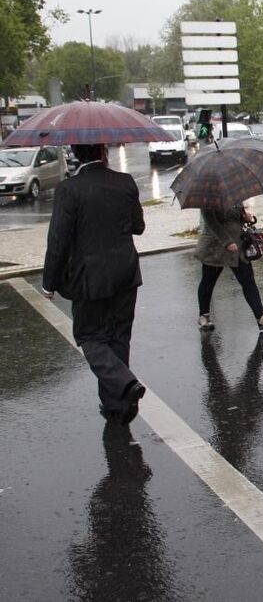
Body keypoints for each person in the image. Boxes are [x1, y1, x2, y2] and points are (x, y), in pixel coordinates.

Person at [42, 143, 147, 425]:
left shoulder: (69, 189)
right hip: (126, 272)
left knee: (90, 337)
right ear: (104, 152)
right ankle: (118, 408)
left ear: (76, 154)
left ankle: (124, 384)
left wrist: (49, 282)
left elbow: (58, 240)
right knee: (119, 337)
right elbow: (139, 227)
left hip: (90, 278)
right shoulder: (125, 182)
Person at [195, 203, 263, 331]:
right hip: (215, 248)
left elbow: (237, 217)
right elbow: (212, 223)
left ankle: (261, 317)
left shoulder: (234, 196)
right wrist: (227, 242)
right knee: (208, 282)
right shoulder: (209, 198)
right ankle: (204, 316)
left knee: (248, 281)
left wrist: (245, 217)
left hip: (238, 247)